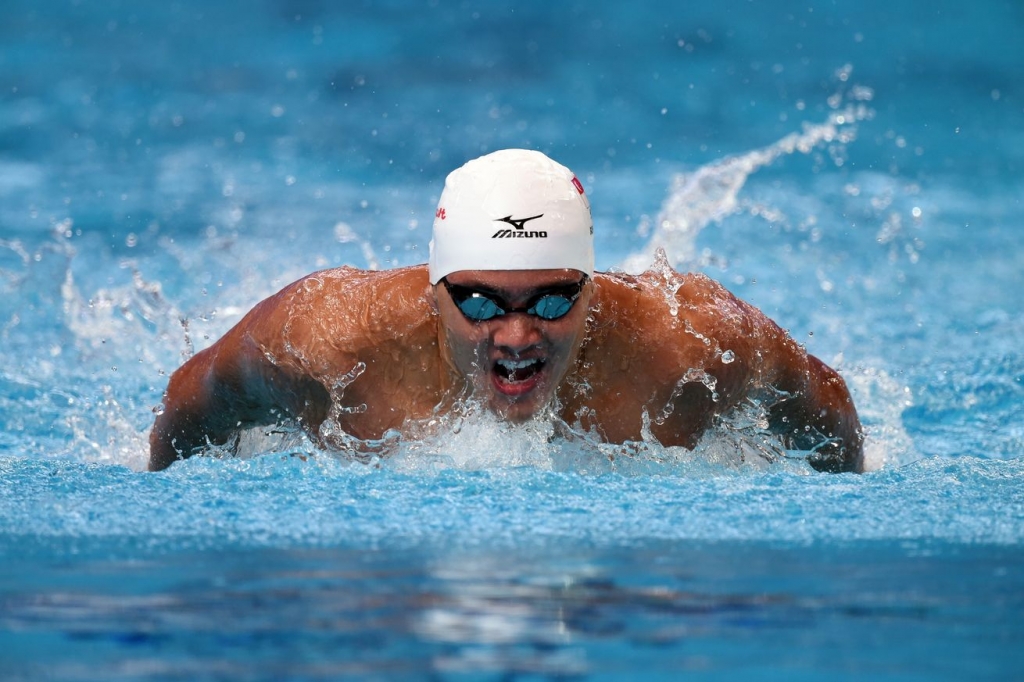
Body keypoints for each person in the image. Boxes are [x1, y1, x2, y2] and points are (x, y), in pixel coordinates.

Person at [149, 149, 864, 473]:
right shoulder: (325, 342)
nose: (517, 335)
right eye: (481, 301)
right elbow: (194, 397)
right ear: (436, 293)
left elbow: (826, 405)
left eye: (554, 298)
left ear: (592, 291)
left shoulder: (689, 345)